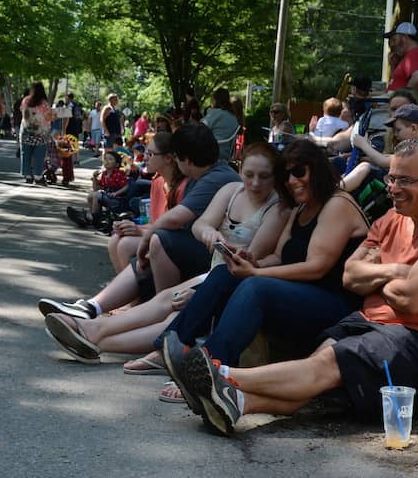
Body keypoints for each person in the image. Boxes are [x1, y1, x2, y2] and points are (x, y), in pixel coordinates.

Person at [171, 139, 418, 436]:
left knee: (323, 365)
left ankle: (221, 375)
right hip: (369, 321)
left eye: (406, 180)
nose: (394, 188)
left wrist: (375, 275)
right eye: (392, 178)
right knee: (313, 375)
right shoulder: (390, 219)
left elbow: (412, 300)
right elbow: (350, 277)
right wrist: (396, 270)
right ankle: (235, 403)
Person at [151, 139, 370, 405]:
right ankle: (172, 344)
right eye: (285, 175)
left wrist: (256, 275)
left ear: (318, 169)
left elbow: (317, 267)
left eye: (299, 171)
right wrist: (250, 262)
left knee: (256, 287)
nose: (292, 180)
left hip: (336, 305)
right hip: (301, 295)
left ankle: (211, 367)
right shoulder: (300, 208)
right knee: (225, 274)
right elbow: (278, 256)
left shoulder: (337, 204)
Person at [42, 143, 293, 368]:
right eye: (249, 175)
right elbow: (200, 224)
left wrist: (202, 292)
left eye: (264, 176)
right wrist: (208, 233)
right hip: (216, 274)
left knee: (174, 311)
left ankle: (96, 337)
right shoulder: (231, 190)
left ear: (276, 177)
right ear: (241, 172)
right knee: (166, 300)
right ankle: (93, 330)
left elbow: (249, 260)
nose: (256, 183)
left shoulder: (278, 207)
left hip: (236, 280)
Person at [38, 124, 240, 319]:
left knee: (158, 240)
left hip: (223, 261)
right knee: (142, 241)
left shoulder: (214, 178)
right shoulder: (205, 175)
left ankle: (155, 313)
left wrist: (147, 237)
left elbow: (176, 218)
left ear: (185, 159)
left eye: (177, 158)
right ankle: (93, 307)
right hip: (211, 252)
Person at [108, 132, 189, 272]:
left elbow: (175, 231)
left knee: (125, 244)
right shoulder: (157, 182)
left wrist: (139, 231)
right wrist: (128, 227)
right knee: (115, 239)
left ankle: (134, 291)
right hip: (157, 235)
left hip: (171, 241)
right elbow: (153, 222)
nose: (145, 157)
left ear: (168, 158)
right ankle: (127, 289)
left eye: (150, 154)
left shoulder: (184, 187)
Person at [341, 101, 418, 192]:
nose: (395, 134)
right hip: (407, 183)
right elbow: (391, 157)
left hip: (410, 188)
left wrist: (363, 144)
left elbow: (383, 161)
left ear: (413, 128)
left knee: (365, 167)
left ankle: (338, 191)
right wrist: (364, 158)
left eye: (398, 130)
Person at [384, 22, 418, 101]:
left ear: (404, 37)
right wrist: (393, 66)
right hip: (393, 103)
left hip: (399, 108)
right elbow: (396, 82)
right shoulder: (410, 55)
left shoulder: (414, 53)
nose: (392, 44)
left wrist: (402, 99)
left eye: (394, 40)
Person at [19, 82, 54, 184]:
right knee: (39, 155)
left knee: (26, 154)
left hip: (26, 131)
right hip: (41, 133)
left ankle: (28, 175)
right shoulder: (44, 103)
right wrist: (53, 115)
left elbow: (22, 112)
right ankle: (38, 176)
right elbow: (48, 117)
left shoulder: (25, 100)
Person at [202, 88, 239, 161]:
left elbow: (200, 129)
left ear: (215, 100)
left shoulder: (215, 113)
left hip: (210, 152)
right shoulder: (233, 117)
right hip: (226, 154)